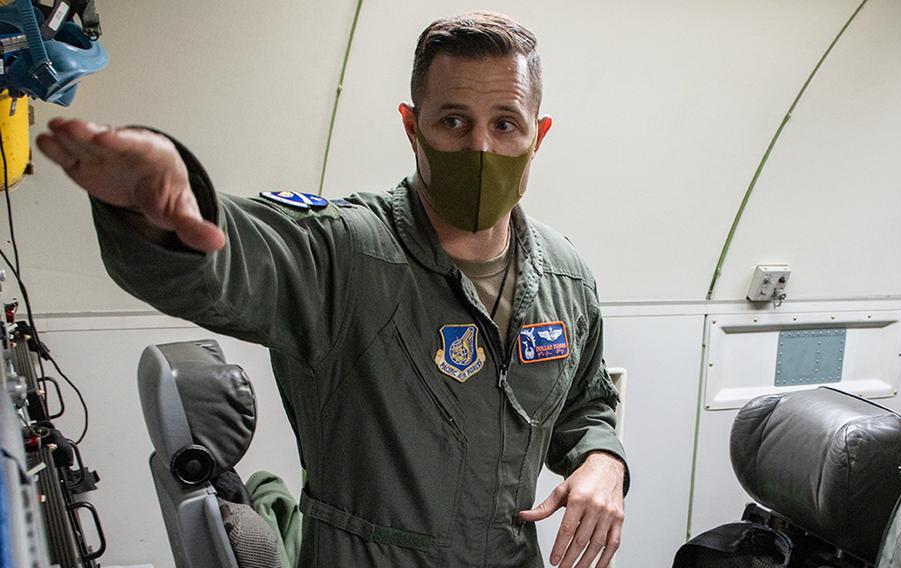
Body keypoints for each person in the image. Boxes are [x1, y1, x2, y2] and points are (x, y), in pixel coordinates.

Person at [37, 11, 629, 568]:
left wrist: (602, 459)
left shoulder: (564, 275)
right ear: (411, 126)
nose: (480, 148)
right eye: (453, 121)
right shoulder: (344, 252)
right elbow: (233, 254)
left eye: (505, 124)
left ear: (538, 134)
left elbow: (587, 403)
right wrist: (162, 207)